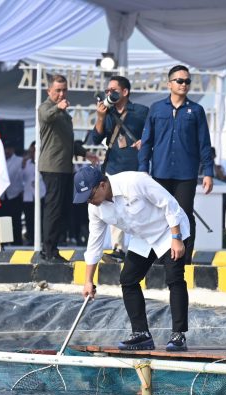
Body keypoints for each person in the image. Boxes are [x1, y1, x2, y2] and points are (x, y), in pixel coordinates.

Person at [75, 165, 191, 352]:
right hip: (143, 237)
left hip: (169, 229)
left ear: (102, 185)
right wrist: (88, 281)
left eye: (90, 196)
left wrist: (177, 238)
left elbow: (169, 204)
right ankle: (141, 334)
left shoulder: (134, 181)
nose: (89, 202)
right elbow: (94, 243)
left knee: (174, 277)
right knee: (128, 279)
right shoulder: (95, 209)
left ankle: (179, 335)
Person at [138, 64, 213, 255]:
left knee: (184, 215)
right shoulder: (156, 109)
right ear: (169, 84)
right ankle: (161, 257)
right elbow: (146, 141)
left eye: (187, 81)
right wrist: (142, 169)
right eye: (179, 81)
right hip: (160, 173)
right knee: (160, 215)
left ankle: (185, 259)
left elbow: (204, 143)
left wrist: (208, 173)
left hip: (186, 174)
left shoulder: (196, 110)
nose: (184, 84)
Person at [87, 74, 149, 261]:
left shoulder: (141, 111)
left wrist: (145, 142)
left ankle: (142, 249)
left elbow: (151, 134)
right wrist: (100, 117)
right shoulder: (107, 112)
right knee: (114, 207)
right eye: (107, 91)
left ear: (125, 92)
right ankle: (118, 248)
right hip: (113, 167)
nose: (109, 93)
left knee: (137, 208)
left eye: (113, 90)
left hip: (135, 167)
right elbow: (96, 139)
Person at [37, 74, 74, 263]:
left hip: (66, 167)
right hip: (53, 167)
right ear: (49, 91)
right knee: (53, 209)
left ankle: (54, 248)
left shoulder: (65, 114)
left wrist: (86, 153)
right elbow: (45, 115)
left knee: (63, 210)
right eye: (58, 90)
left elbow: (68, 142)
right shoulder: (46, 107)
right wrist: (57, 107)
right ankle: (48, 250)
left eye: (64, 90)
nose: (61, 94)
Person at [0, 146, 24, 245]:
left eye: (8, 149)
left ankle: (17, 243)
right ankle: (3, 242)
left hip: (15, 195)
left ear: (12, 150)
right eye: (5, 149)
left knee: (16, 221)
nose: (6, 151)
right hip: (2, 196)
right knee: (3, 221)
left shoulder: (20, 160)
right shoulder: (0, 160)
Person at [21, 142, 43, 246]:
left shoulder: (44, 162)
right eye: (32, 151)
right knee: (29, 218)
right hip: (29, 195)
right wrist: (23, 164)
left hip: (42, 194)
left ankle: (42, 238)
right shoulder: (26, 163)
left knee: (41, 218)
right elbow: (20, 177)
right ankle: (30, 238)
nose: (33, 152)